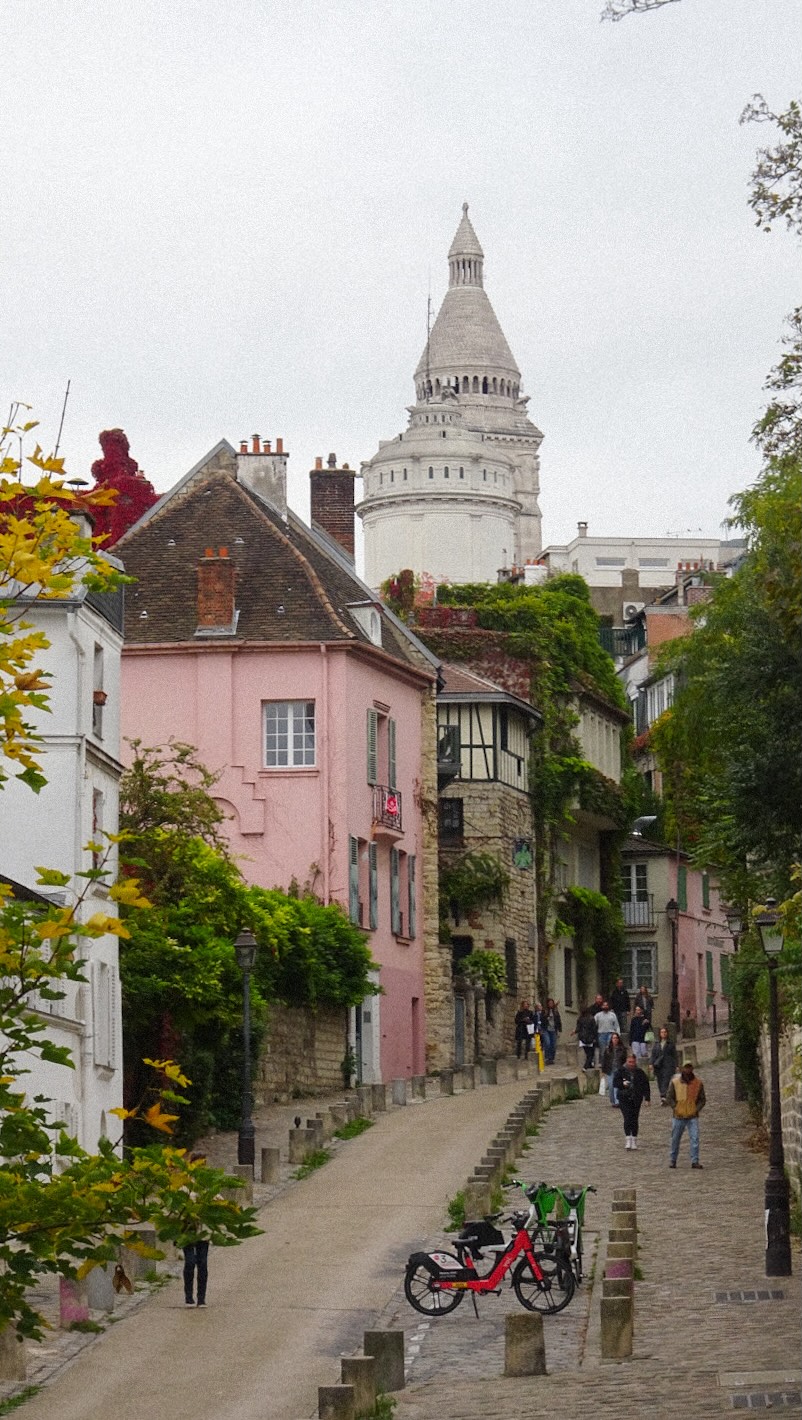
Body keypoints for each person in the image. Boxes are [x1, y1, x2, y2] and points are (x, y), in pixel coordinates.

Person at [182, 1153, 211, 1307]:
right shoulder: (184, 1183)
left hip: (203, 1230)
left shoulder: (207, 1184)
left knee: (203, 1263)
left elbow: (216, 1198)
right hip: (187, 1229)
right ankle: (188, 1296)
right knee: (190, 1262)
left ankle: (201, 1298)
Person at [666, 1059, 706, 1168]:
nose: (687, 1069)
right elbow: (669, 1097)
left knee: (695, 1138)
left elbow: (702, 1099)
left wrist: (695, 1109)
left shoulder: (698, 1083)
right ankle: (673, 1160)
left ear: (692, 1069)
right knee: (675, 1139)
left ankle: (695, 1161)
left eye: (689, 1067)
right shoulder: (675, 1082)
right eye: (686, 1067)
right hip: (678, 1115)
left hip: (692, 1115)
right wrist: (676, 1108)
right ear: (682, 1068)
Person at [612, 1052, 651, 1149]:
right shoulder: (620, 1071)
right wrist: (623, 1084)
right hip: (624, 1098)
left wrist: (647, 1098)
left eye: (633, 1062)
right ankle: (628, 1139)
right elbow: (615, 1083)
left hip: (636, 1098)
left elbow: (645, 1085)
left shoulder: (639, 1072)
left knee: (634, 1119)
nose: (631, 1064)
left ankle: (634, 1139)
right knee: (627, 1118)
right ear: (626, 1061)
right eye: (629, 1062)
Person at [650, 1025, 678, 1103]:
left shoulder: (671, 1044)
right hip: (658, 1065)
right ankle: (663, 1096)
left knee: (666, 1080)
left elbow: (675, 1055)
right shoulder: (656, 1044)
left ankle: (663, 1095)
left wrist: (676, 1065)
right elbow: (653, 1055)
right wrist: (651, 1063)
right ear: (659, 1034)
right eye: (662, 1032)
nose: (663, 1034)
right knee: (660, 1081)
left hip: (668, 1064)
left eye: (665, 1032)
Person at [602, 1031, 627, 1105]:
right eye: (613, 1038)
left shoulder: (622, 1049)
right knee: (611, 1086)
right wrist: (603, 1070)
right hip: (610, 1069)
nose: (615, 1039)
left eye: (616, 1038)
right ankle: (612, 1100)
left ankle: (617, 1101)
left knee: (617, 1085)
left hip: (618, 1069)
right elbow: (604, 1060)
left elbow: (624, 1060)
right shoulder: (607, 1049)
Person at [594, 1000, 620, 1065]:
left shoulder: (612, 1015)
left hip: (610, 1033)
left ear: (608, 1006)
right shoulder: (598, 1015)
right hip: (601, 1034)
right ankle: (602, 1063)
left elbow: (616, 1025)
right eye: (604, 1005)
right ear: (602, 1006)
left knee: (610, 1049)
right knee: (602, 1050)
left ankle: (610, 1063)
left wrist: (618, 1033)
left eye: (606, 1005)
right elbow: (593, 1024)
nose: (605, 1006)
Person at [573, 1005, 598, 1070]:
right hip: (590, 1038)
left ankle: (589, 1066)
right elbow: (594, 1029)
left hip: (583, 1038)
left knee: (588, 1053)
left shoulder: (580, 1019)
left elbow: (578, 1028)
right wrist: (595, 1037)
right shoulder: (591, 1018)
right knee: (591, 1054)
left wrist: (575, 1032)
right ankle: (585, 1066)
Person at [543, 998, 562, 1065]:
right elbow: (542, 1020)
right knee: (547, 1043)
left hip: (553, 1030)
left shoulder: (555, 1011)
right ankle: (547, 1058)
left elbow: (558, 1021)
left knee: (553, 1045)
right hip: (546, 1029)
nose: (551, 1004)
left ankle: (551, 1058)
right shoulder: (545, 1011)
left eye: (552, 1003)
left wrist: (559, 1030)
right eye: (549, 1003)